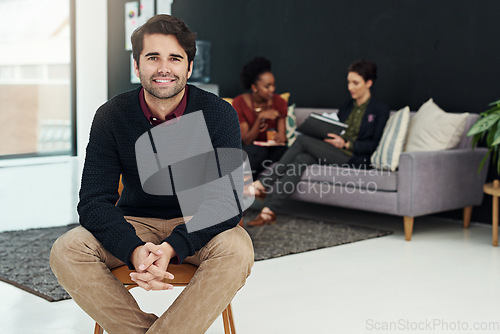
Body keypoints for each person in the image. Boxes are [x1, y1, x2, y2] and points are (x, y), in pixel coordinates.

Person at [50, 14, 254, 333]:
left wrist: (174, 246)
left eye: (174, 58)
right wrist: (133, 250)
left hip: (197, 225)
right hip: (136, 222)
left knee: (238, 249)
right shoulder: (111, 116)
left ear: (188, 67)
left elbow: (225, 203)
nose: (163, 68)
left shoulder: (218, 113)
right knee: (67, 249)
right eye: (153, 57)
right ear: (137, 66)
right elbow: (93, 201)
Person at [248, 60, 390, 226]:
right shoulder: (346, 107)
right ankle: (269, 211)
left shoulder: (379, 110)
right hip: (333, 150)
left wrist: (346, 144)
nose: (350, 87)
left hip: (354, 157)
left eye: (355, 83)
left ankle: (263, 183)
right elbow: (338, 129)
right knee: (302, 159)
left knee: (302, 141)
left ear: (369, 83)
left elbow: (373, 145)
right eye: (349, 82)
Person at [232, 57, 288, 178]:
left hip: (271, 150)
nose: (272, 90)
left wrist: (279, 137)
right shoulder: (240, 102)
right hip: (250, 147)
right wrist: (260, 117)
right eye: (267, 86)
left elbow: (282, 138)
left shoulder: (279, 102)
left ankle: (249, 181)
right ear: (254, 87)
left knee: (284, 151)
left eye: (273, 85)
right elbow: (247, 139)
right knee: (257, 152)